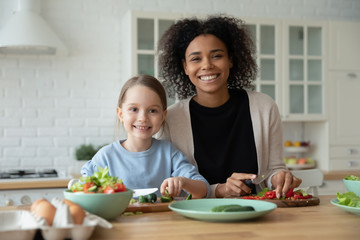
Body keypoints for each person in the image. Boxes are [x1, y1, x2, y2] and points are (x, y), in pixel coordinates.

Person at [157, 15, 302, 198]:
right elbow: (172, 186)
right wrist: (220, 189)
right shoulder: (171, 119)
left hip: (257, 213)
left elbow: (273, 170)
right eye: (196, 59)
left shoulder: (264, 107)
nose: (207, 65)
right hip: (197, 217)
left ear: (231, 60)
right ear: (185, 67)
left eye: (217, 56)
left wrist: (279, 178)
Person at [81, 75, 210, 198]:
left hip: (162, 221)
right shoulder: (105, 157)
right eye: (134, 109)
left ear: (163, 116)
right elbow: (82, 191)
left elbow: (204, 190)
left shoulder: (169, 153)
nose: (143, 118)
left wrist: (183, 182)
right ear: (120, 114)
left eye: (152, 110)